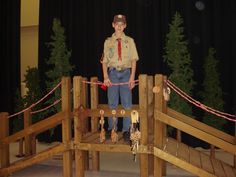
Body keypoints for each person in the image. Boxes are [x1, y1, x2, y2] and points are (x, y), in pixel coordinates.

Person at [102, 14, 139, 142]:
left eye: (121, 24)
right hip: (112, 73)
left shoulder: (130, 41)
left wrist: (132, 77)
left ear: (125, 26)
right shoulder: (108, 42)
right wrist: (106, 76)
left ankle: (127, 130)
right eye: (116, 24)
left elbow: (134, 60)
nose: (119, 26)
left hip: (126, 74)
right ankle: (112, 128)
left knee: (127, 103)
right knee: (112, 103)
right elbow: (104, 61)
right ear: (113, 25)